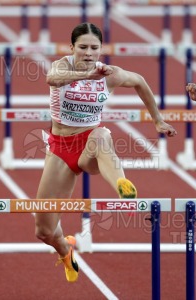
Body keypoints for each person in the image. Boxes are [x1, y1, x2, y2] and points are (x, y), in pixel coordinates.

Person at [35, 22, 177, 283]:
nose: (89, 53)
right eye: (83, 47)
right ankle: (66, 251)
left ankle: (122, 184)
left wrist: (157, 120)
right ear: (72, 47)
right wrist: (84, 76)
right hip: (59, 148)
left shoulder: (110, 73)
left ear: (101, 49)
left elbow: (140, 82)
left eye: (94, 48)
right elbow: (51, 79)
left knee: (101, 134)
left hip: (89, 144)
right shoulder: (63, 66)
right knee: (43, 230)